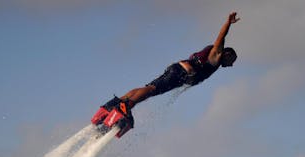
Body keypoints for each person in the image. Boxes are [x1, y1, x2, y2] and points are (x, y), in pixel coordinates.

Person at [92, 12, 240, 137]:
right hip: (180, 73)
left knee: (149, 88)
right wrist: (228, 23)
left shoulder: (211, 56)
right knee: (151, 90)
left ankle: (112, 106)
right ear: (226, 54)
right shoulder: (215, 56)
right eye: (232, 60)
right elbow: (221, 38)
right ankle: (125, 106)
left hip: (177, 69)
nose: (231, 65)